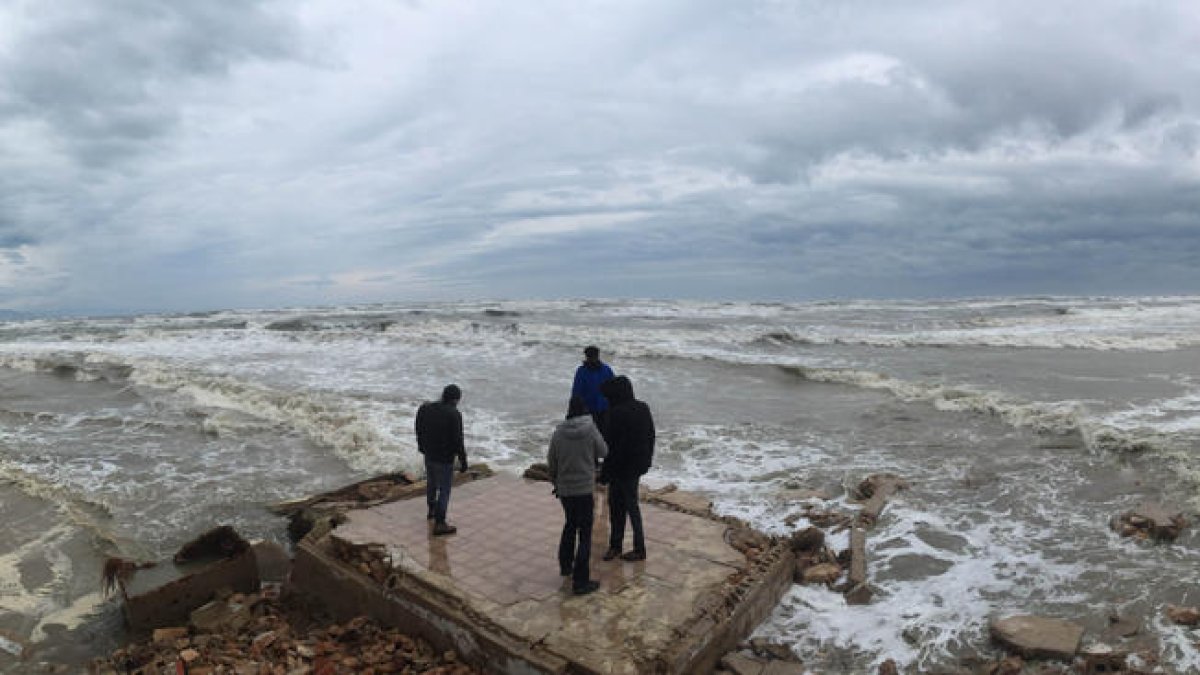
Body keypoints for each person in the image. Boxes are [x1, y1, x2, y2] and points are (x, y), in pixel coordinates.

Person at [547, 396, 608, 595]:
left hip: (565, 490)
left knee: (570, 525)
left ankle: (566, 566)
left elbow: (552, 463)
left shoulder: (558, 433)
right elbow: (604, 451)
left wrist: (557, 483)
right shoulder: (590, 429)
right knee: (585, 533)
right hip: (583, 489)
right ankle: (581, 582)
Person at [598, 376, 655, 561]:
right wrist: (647, 462)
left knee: (617, 508)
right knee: (632, 507)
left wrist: (605, 474)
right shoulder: (643, 407)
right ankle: (638, 547)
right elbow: (651, 436)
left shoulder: (615, 413)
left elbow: (611, 448)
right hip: (636, 467)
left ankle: (617, 546)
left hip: (620, 469)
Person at [415, 384, 468, 536]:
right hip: (444, 459)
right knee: (444, 489)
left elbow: (418, 426)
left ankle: (431, 509)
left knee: (431, 483)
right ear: (456, 399)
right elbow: (458, 441)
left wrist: (421, 445)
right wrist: (463, 461)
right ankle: (440, 523)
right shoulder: (454, 414)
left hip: (429, 454)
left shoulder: (426, 408)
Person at [571, 346, 614, 440]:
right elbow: (576, 393)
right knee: (590, 438)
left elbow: (614, 389)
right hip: (587, 410)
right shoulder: (582, 371)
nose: (592, 359)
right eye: (590, 357)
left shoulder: (606, 370)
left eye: (593, 356)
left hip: (604, 409)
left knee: (602, 437)